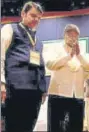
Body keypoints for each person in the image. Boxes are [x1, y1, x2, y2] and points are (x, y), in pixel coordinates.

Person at [1, 1, 47, 132]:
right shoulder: (10, 29)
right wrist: (1, 83)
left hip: (34, 93)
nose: (36, 19)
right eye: (33, 15)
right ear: (23, 14)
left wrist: (43, 90)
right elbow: (0, 55)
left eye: (39, 17)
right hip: (15, 89)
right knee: (12, 126)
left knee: (28, 127)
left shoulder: (38, 42)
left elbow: (41, 66)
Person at [46, 24, 89, 132]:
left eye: (75, 35)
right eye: (70, 34)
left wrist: (79, 56)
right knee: (55, 127)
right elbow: (50, 64)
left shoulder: (82, 52)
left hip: (77, 96)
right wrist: (69, 56)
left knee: (76, 127)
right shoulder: (55, 48)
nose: (72, 37)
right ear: (64, 35)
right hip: (58, 94)